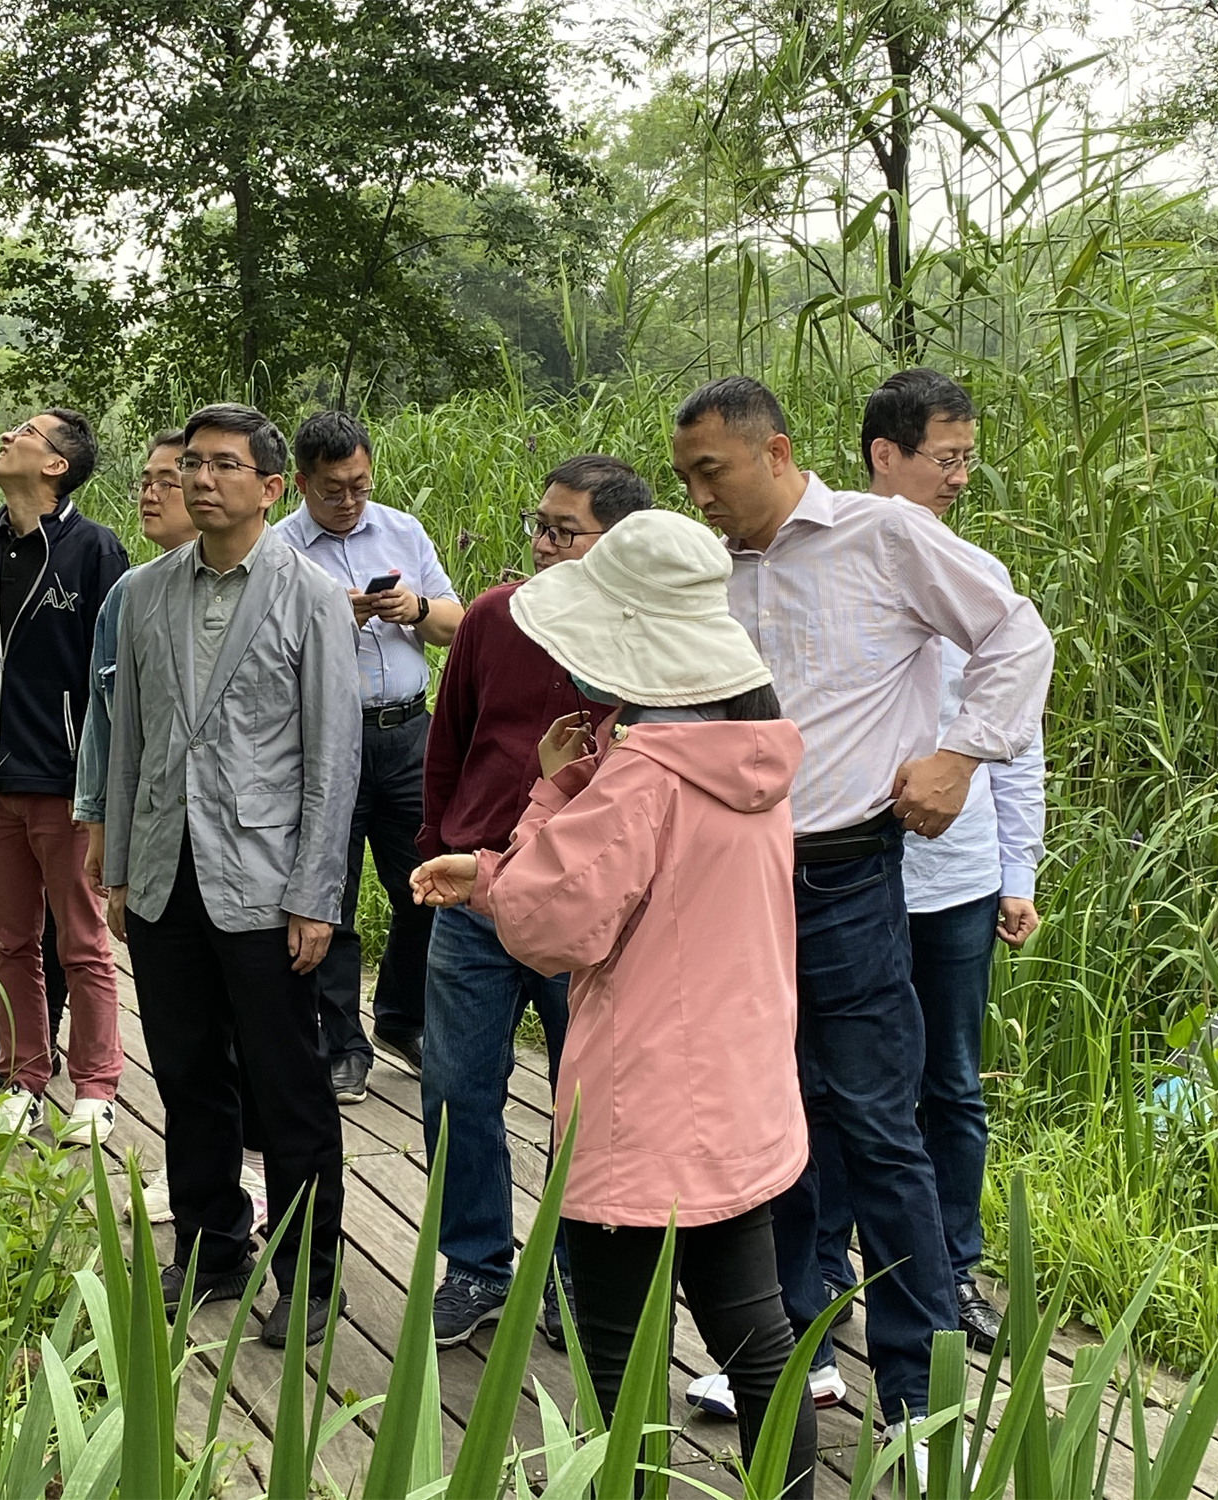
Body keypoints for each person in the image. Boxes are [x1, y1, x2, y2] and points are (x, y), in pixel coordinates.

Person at [671, 375, 1052, 1458]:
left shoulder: (882, 536)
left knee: (879, 1127)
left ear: (776, 451)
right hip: (730, 882)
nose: (698, 495)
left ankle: (921, 1397)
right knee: (768, 1119)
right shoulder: (706, 567)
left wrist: (958, 755)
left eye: (712, 471)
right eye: (686, 476)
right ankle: (792, 1355)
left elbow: (1016, 636)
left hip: (843, 876)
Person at [410, 509, 818, 1497]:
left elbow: (552, 927)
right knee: (757, 1339)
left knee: (616, 1359)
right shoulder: (751, 757)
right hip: (738, 1091)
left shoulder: (640, 780)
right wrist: (517, 853)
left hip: (642, 1100)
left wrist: (551, 798)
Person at [103, 402, 358, 1347]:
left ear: (270, 486)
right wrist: (120, 867)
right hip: (165, 869)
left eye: (223, 465)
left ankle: (311, 1274)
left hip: (266, 880)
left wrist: (316, 895)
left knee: (288, 1085)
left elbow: (333, 757)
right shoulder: (143, 592)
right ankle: (212, 1247)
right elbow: (129, 739)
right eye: (191, 464)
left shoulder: (310, 595)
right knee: (184, 1072)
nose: (201, 480)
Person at [805, 370, 1046, 1355]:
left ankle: (950, 1269)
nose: (959, 477)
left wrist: (1018, 871)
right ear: (884, 454)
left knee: (949, 1082)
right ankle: (824, 1275)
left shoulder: (974, 574)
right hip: (845, 875)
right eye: (945, 458)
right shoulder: (824, 561)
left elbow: (1018, 738)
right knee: (829, 1082)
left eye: (966, 459)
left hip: (956, 882)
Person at [416, 454, 653, 1350]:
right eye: (539, 526)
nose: (544, 544)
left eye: (565, 531)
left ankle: (572, 1274)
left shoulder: (648, 638)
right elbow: (449, 740)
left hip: (586, 906)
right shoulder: (493, 616)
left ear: (618, 543)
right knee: (455, 1086)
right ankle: (477, 1264)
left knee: (582, 1096)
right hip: (475, 891)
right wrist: (435, 846)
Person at [75, 428, 267, 1228]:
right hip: (160, 840)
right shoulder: (133, 595)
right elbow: (109, 721)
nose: (161, 490)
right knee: (184, 1041)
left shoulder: (280, 589)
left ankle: (256, 1179)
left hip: (251, 853)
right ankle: (206, 1199)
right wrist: (101, 828)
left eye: (174, 474)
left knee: (257, 1036)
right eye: (160, 475)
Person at [0, 410, 128, 1142]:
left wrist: (103, 785)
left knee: (82, 941)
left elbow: (114, 675)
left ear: (55, 466)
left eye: (25, 431)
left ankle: (98, 1087)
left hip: (66, 781)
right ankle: (24, 1076)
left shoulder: (95, 549)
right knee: (10, 940)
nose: (7, 436)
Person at [275, 410, 464, 1102]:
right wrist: (334, 618)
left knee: (427, 883)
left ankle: (403, 1019)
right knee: (332, 895)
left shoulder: (402, 530)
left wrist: (415, 608)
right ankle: (341, 1043)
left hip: (410, 733)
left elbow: (458, 625)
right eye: (333, 490)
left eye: (360, 484)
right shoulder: (279, 550)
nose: (350, 500)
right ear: (301, 484)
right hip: (327, 740)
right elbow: (266, 657)